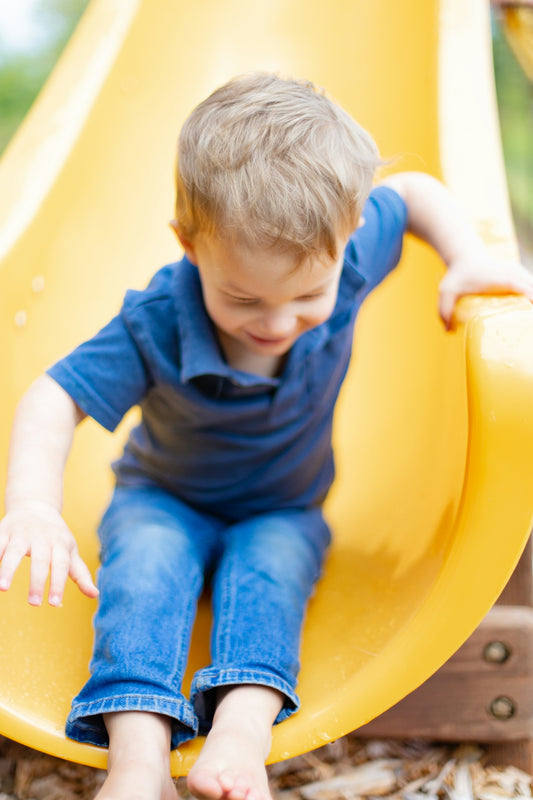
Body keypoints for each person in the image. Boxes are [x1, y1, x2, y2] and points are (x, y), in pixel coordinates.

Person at [1, 73, 533, 800]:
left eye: (307, 298)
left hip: (282, 507)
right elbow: (53, 396)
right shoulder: (158, 317)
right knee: (142, 583)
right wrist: (33, 504)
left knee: (269, 587)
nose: (276, 323)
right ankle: (136, 759)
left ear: (347, 240)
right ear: (188, 244)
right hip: (163, 496)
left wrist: (465, 254)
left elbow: (411, 194)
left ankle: (240, 738)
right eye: (242, 299)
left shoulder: (349, 242)